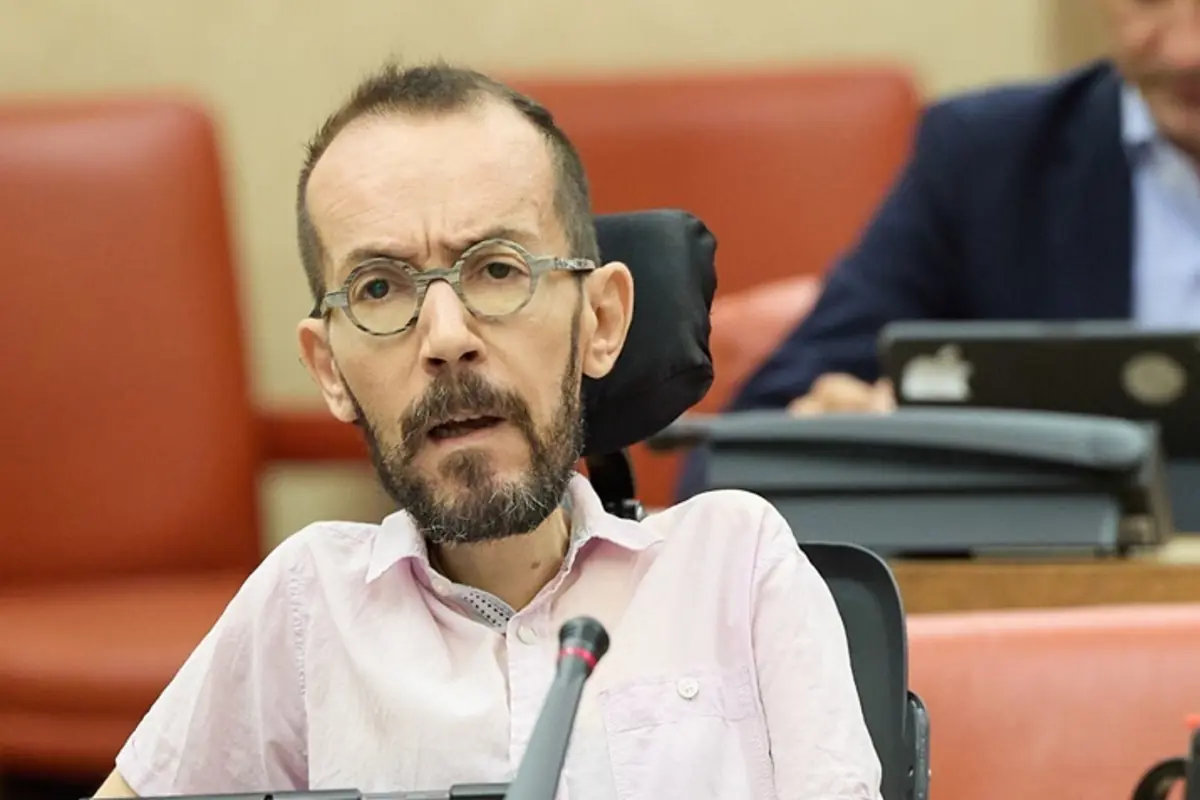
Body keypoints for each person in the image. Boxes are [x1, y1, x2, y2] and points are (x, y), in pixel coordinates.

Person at [92, 62, 881, 799]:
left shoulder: (734, 566)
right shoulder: (306, 605)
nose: (446, 337)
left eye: (497, 269)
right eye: (379, 288)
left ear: (600, 321)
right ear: (329, 367)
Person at [675, 0, 1200, 501]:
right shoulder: (986, 158)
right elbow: (733, 459)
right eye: (1148, 0)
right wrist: (842, 431)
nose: (1186, 52)